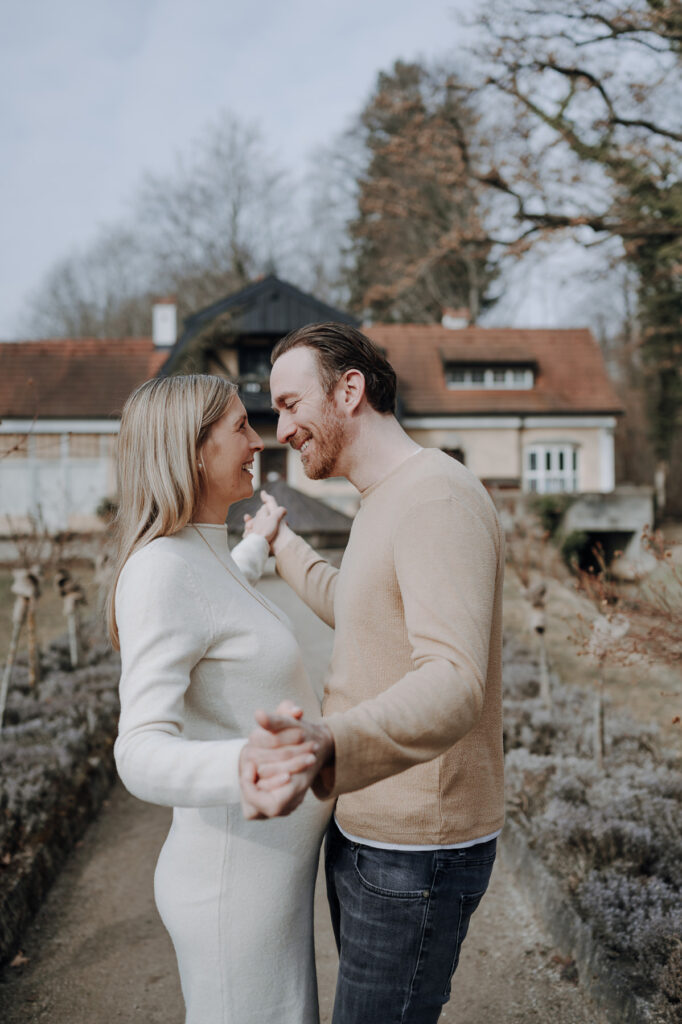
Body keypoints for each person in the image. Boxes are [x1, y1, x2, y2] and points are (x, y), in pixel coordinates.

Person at [240, 322, 505, 1024]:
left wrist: (332, 742)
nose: (281, 428)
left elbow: (452, 677)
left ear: (349, 390)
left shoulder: (436, 497)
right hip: (369, 830)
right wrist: (283, 541)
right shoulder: (384, 497)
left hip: (416, 850)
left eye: (292, 404)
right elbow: (359, 608)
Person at [107, 374, 331, 1024]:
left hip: (267, 886)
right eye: (240, 427)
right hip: (234, 891)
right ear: (192, 449)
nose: (260, 440)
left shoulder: (200, 556)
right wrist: (240, 764)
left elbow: (221, 594)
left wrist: (259, 544)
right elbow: (138, 750)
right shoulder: (160, 571)